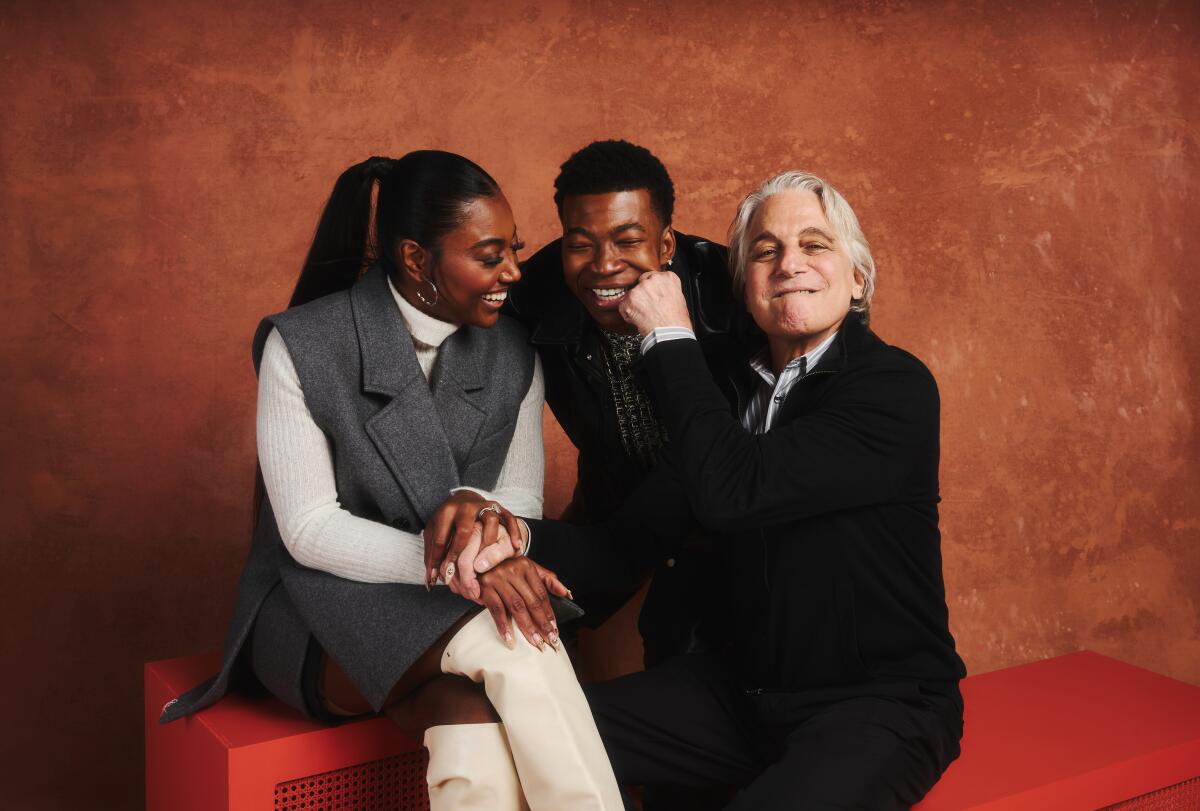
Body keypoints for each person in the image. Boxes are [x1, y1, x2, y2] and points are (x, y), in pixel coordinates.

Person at [160, 151, 624, 811]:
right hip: (313, 607)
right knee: (519, 642)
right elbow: (307, 529)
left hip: (447, 600)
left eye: (513, 250)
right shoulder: (303, 345)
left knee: (475, 733)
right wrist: (465, 565)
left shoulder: (514, 350)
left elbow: (517, 498)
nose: (514, 273)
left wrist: (485, 529)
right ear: (415, 259)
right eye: (490, 256)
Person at [516, 170, 967, 808]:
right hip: (742, 695)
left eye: (815, 245)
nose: (789, 264)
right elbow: (623, 545)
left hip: (877, 706)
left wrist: (668, 336)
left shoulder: (893, 388)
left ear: (858, 279)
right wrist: (511, 531)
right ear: (745, 288)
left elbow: (737, 490)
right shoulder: (728, 399)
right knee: (526, 732)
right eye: (765, 250)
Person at [497, 139, 736, 666]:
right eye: (580, 244)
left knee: (690, 655)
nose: (604, 266)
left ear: (666, 243)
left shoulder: (729, 291)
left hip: (720, 511)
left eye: (628, 241)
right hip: (613, 503)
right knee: (523, 616)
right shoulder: (527, 296)